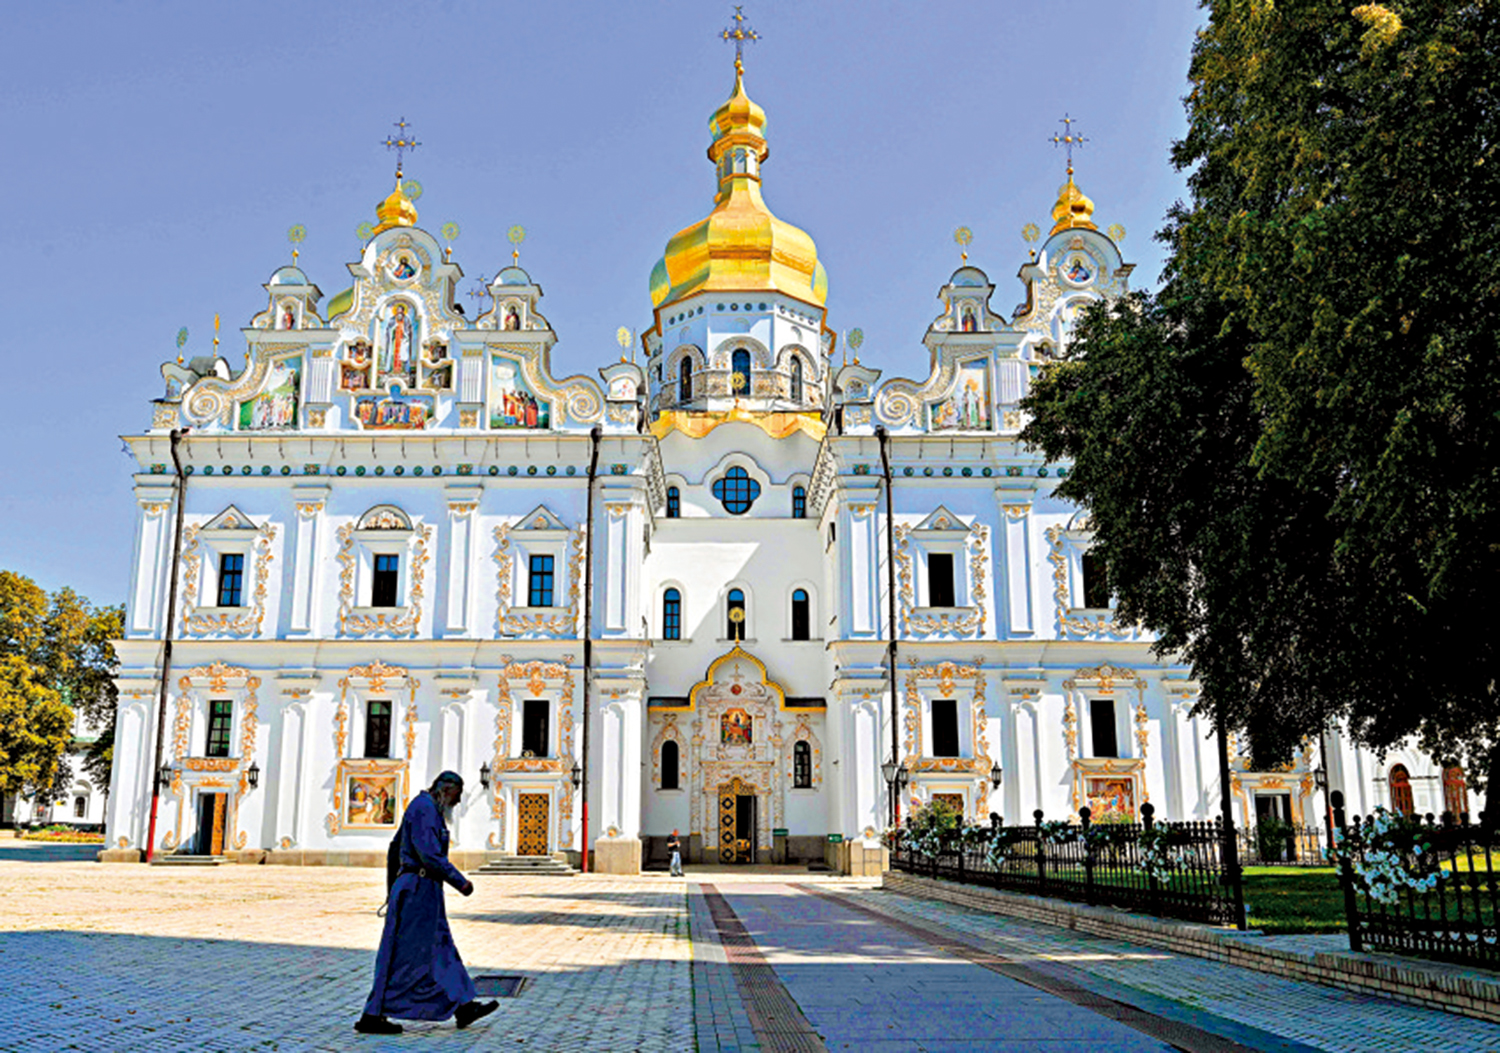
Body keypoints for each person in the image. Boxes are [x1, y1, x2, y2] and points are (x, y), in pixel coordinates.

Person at [355, 772, 498, 1036]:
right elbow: (429, 855)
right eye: (456, 796)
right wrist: (461, 882)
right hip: (418, 890)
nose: (457, 803)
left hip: (422, 890)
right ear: (446, 790)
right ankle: (372, 1015)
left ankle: (464, 1006)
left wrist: (394, 890)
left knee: (441, 948)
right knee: (405, 955)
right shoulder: (424, 809)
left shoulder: (425, 808)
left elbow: (394, 850)